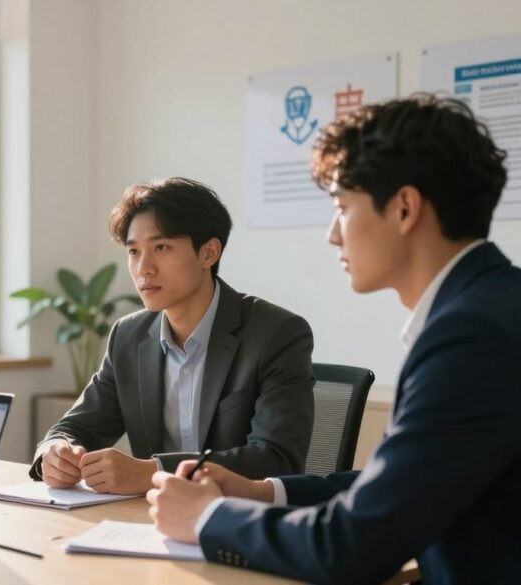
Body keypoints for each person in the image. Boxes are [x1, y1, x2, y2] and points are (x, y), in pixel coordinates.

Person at [147, 95, 521, 584]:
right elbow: (401, 487)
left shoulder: (470, 335)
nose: (332, 234)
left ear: (405, 208)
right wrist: (262, 492)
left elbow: (352, 546)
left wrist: (206, 519)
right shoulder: (493, 305)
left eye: (342, 207)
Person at [31, 178, 315, 495]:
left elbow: (276, 459)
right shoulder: (128, 336)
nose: (143, 269)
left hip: (237, 523)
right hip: (152, 524)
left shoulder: (276, 334)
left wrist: (154, 472)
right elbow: (75, 427)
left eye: (161, 248)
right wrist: (55, 452)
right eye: (133, 251)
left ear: (209, 253)